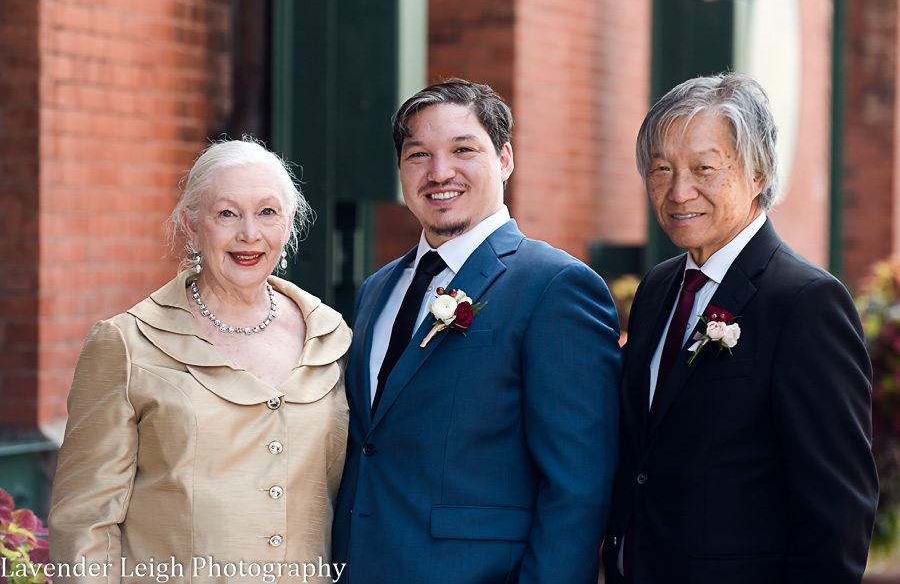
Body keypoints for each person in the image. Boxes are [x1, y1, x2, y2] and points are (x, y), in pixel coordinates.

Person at [331, 78, 622, 584]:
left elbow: (578, 489)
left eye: (463, 149)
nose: (439, 172)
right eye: (418, 154)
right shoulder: (376, 289)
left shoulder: (555, 286)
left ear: (505, 158)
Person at [603, 72, 879, 583]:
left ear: (758, 174)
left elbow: (838, 514)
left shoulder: (805, 303)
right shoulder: (658, 289)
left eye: (704, 168)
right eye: (661, 169)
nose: (678, 191)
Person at [49, 139, 352, 583]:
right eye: (227, 213)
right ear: (191, 226)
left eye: (267, 212)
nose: (249, 234)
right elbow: (83, 523)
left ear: (289, 224)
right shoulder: (126, 343)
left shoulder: (333, 337)